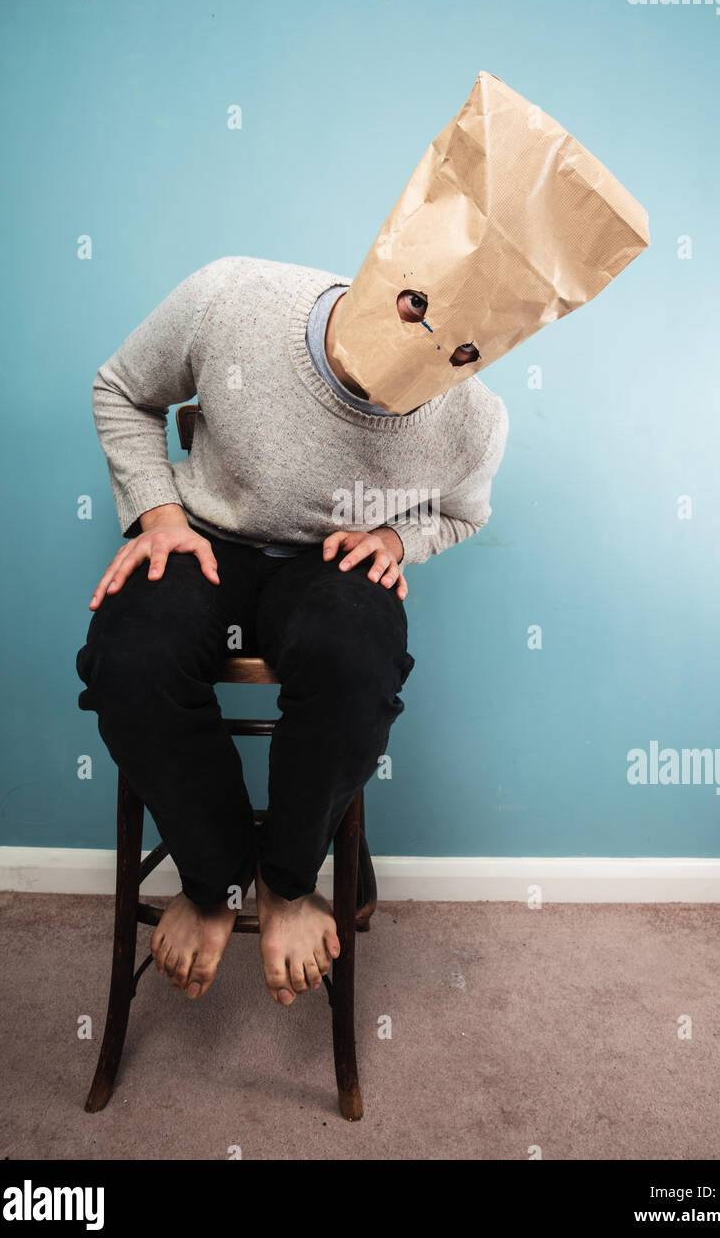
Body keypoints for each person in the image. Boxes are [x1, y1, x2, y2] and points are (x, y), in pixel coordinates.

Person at [75, 256, 508, 1007]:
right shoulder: (232, 296)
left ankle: (286, 882)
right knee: (130, 660)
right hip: (204, 535)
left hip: (329, 561)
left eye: (464, 351)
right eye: (416, 313)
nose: (430, 352)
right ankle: (214, 883)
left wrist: (398, 543)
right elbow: (121, 389)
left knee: (355, 661)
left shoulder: (475, 421)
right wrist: (160, 515)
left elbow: (463, 512)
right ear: (385, 269)